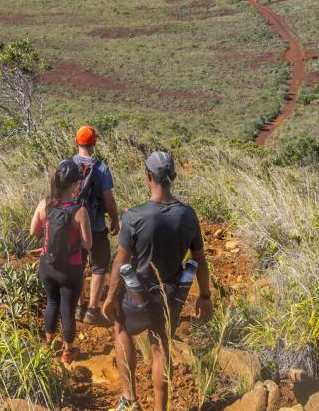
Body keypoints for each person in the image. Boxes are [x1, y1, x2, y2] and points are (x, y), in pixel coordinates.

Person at [103, 151, 214, 411]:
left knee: (121, 327)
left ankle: (129, 400)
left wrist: (110, 297)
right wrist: (205, 296)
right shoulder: (188, 215)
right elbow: (200, 259)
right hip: (171, 296)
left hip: (137, 296)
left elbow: (120, 261)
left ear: (148, 176)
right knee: (161, 348)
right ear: (173, 177)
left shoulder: (134, 216)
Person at [30, 159, 92, 364]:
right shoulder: (80, 211)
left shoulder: (45, 204)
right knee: (68, 310)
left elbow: (33, 231)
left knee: (52, 303)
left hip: (47, 265)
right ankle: (67, 352)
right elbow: (87, 243)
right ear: (74, 184)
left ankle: (48, 344)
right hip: (70, 269)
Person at [72, 124, 120, 325]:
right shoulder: (101, 169)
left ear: (77, 142)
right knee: (99, 265)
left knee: (77, 264)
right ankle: (92, 309)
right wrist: (115, 219)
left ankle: (78, 306)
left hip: (72, 225)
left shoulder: (66, 165)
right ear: (94, 144)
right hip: (96, 226)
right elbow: (108, 200)